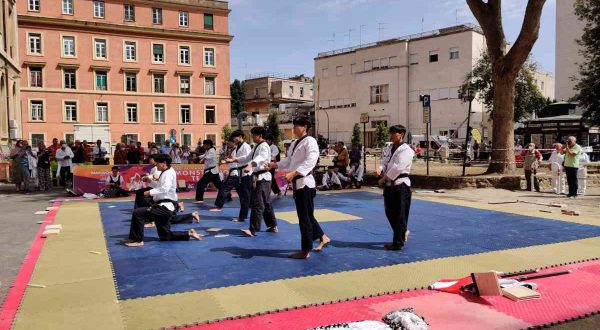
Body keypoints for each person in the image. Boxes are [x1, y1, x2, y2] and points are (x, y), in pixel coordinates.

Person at [267, 116, 330, 259]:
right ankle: (323, 237)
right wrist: (275, 165)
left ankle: (305, 250)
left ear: (305, 127)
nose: (294, 128)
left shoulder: (311, 141)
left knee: (304, 218)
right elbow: (289, 160)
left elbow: (311, 160)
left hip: (305, 183)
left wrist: (295, 173)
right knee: (306, 215)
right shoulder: (295, 143)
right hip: (298, 184)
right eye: (294, 125)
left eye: (297, 126)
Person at [125, 154, 201, 247]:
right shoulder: (166, 171)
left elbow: (165, 188)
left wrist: (149, 192)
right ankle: (189, 233)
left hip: (164, 206)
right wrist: (150, 180)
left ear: (164, 163)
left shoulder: (168, 173)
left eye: (158, 163)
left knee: (138, 213)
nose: (156, 165)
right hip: (165, 206)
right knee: (165, 236)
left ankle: (138, 240)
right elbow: (160, 185)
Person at [226, 127, 277, 237]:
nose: (252, 137)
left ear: (260, 136)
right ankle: (273, 225)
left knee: (258, 203)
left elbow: (260, 158)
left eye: (254, 135)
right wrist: (234, 159)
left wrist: (250, 165)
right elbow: (247, 157)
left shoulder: (264, 146)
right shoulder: (256, 147)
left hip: (263, 177)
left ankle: (253, 229)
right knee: (266, 202)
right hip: (260, 178)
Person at [376, 125, 415, 251]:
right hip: (389, 185)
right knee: (389, 212)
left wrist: (383, 178)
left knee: (400, 214)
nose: (391, 135)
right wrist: (380, 168)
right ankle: (403, 232)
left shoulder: (406, 150)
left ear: (402, 134)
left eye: (394, 133)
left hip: (401, 184)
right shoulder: (390, 147)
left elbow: (398, 167)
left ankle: (397, 243)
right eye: (391, 133)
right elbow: (384, 161)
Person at [211, 131, 252, 222]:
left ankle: (242, 216)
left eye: (234, 138)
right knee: (243, 196)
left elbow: (248, 158)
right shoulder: (238, 147)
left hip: (245, 173)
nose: (233, 140)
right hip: (239, 173)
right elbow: (238, 159)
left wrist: (248, 166)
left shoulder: (246, 146)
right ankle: (242, 216)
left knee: (245, 196)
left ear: (241, 136)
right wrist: (229, 161)